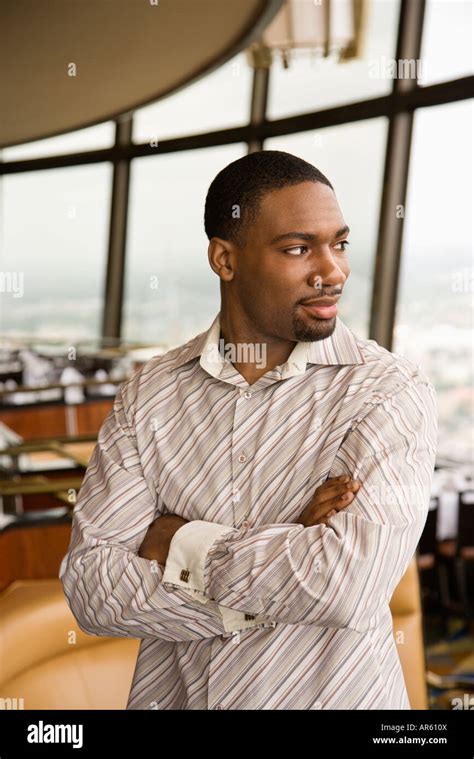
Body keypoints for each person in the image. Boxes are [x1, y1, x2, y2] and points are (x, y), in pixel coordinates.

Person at [60, 150, 438, 710]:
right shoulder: (150, 396)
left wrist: (179, 542)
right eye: (297, 248)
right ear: (225, 260)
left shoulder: (385, 390)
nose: (332, 271)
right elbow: (92, 589)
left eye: (339, 244)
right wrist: (288, 541)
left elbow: (345, 587)